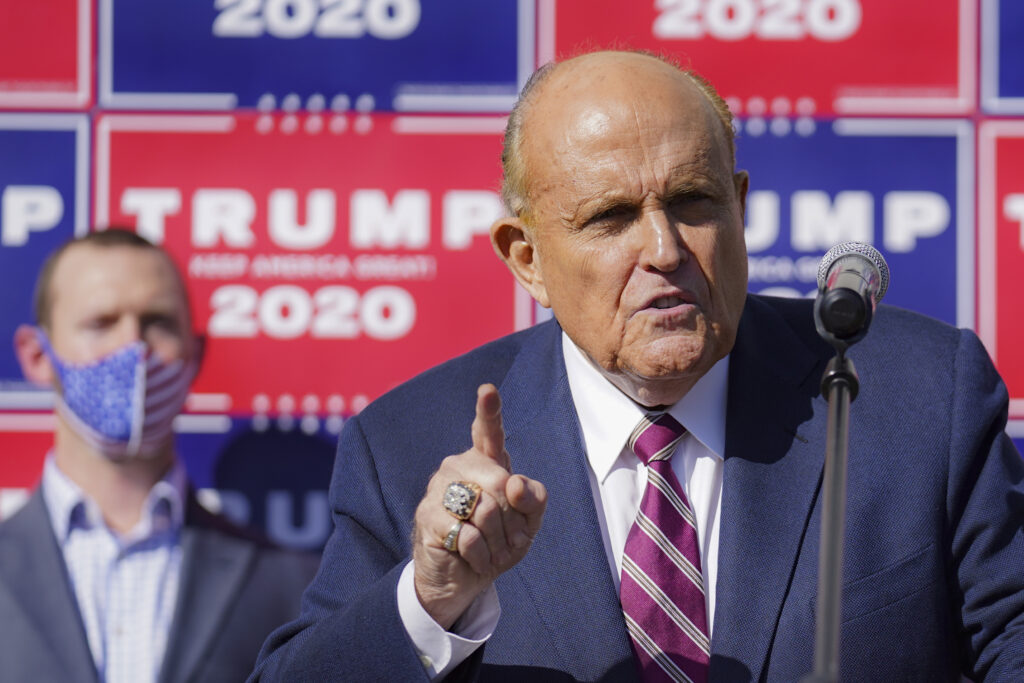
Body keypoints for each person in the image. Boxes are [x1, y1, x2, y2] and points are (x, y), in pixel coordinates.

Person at [250, 50, 1024, 681]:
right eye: (611, 218)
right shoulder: (407, 445)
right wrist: (432, 596)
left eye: (693, 201)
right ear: (528, 259)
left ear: (740, 207)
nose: (664, 250)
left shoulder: (918, 393)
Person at [0, 229, 319, 683]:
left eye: (158, 322)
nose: (133, 347)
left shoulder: (288, 583)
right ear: (36, 356)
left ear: (195, 355)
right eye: (101, 322)